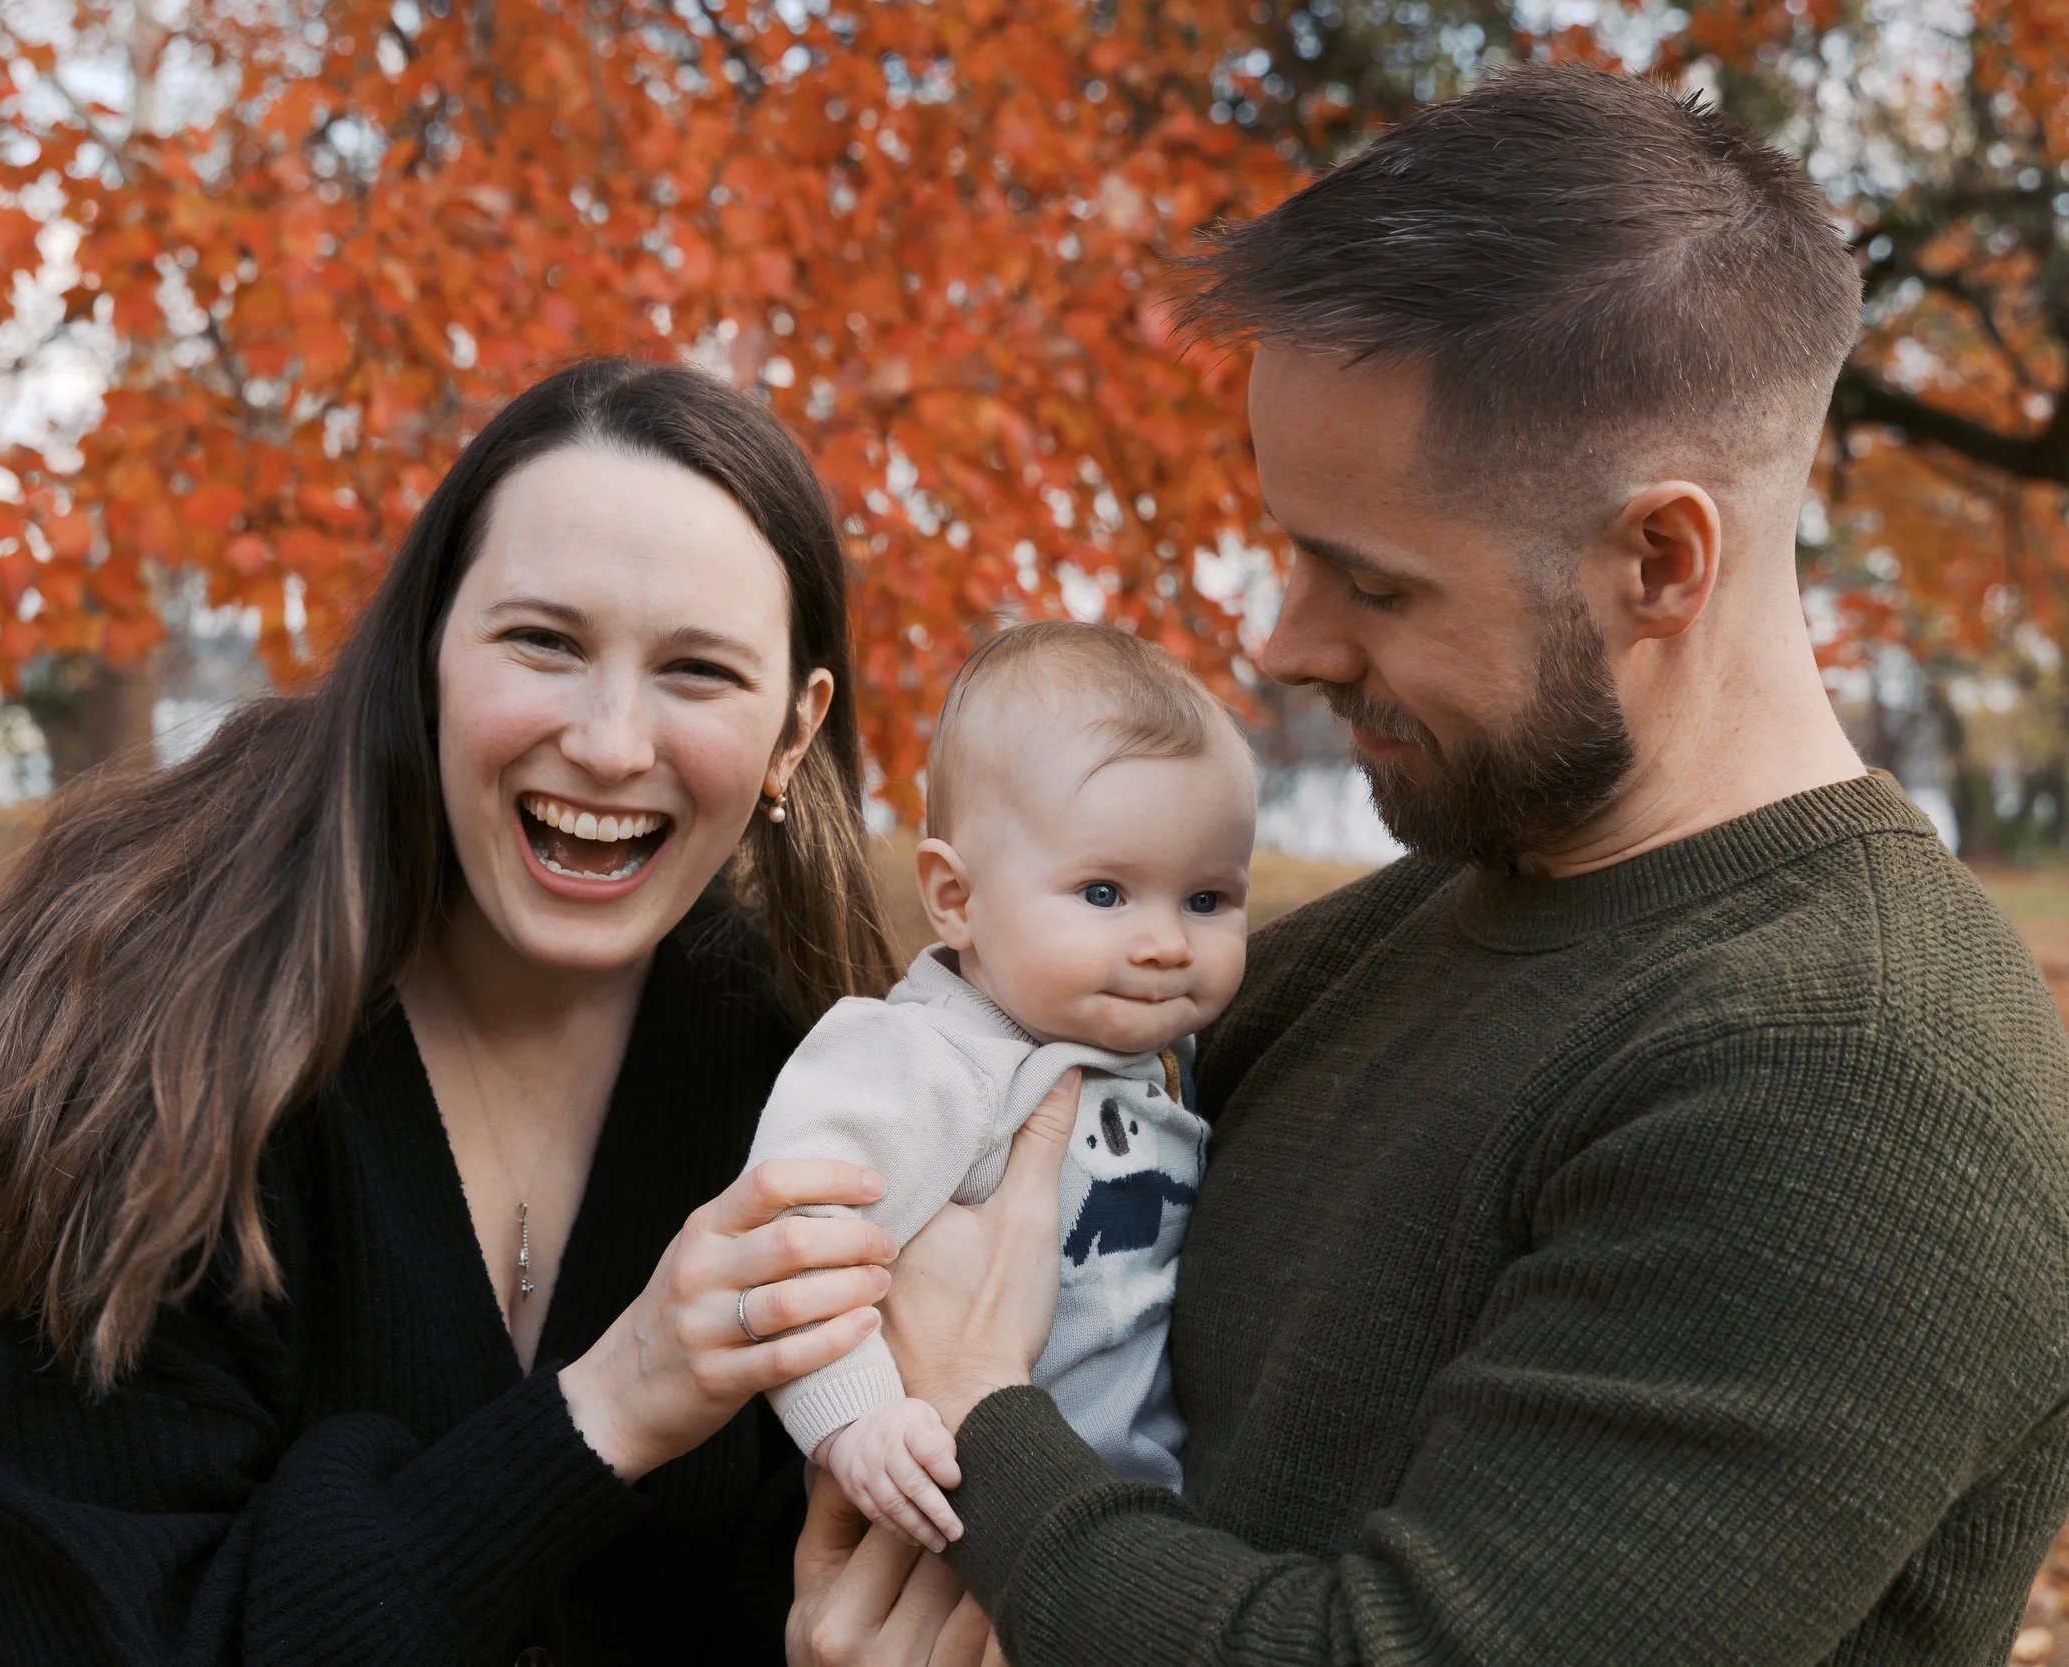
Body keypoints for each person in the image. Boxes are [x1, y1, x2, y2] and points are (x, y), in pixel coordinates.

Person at [790, 64, 2069, 1667]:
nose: (1284, 639)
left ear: (1661, 558)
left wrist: (985, 1428)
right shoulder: (1386, 936)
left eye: (1373, 584)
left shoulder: (1861, 1074)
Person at [0, 357, 909, 1667]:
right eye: (545, 640)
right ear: (427, 647)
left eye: (699, 671)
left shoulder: (805, 1074)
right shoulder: (143, 1027)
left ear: (792, 729)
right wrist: (610, 1403)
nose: (610, 740)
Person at [745, 624, 1256, 1552]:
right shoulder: (920, 1058)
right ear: (955, 898)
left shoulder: (1162, 1064)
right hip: (937, 1518)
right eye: (1105, 893)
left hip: (1121, 1541)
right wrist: (856, 1421)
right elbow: (796, 1243)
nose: (1167, 942)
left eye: (1208, 899)